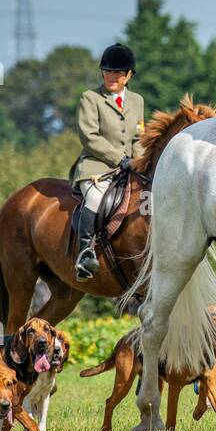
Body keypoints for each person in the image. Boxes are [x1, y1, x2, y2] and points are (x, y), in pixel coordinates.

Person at [69, 43, 145, 277]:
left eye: (118, 73)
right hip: (96, 165)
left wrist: (140, 160)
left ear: (129, 74)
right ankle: (85, 253)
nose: (111, 77)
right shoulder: (90, 98)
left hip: (128, 166)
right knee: (96, 196)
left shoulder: (137, 100)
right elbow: (89, 137)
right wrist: (118, 158)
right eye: (107, 71)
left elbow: (138, 136)